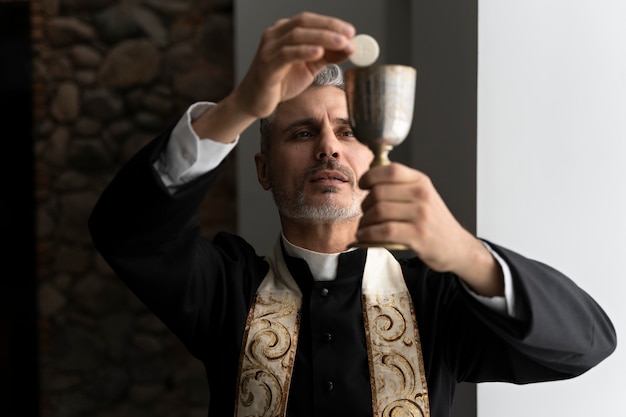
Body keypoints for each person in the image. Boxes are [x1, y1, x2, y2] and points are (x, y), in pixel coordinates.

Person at [88, 11, 616, 417]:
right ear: (264, 170)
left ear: (373, 155)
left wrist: (464, 250)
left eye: (348, 131)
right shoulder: (225, 290)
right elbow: (127, 230)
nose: (328, 148)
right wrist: (240, 105)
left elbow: (585, 345)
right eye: (301, 133)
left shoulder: (439, 299)